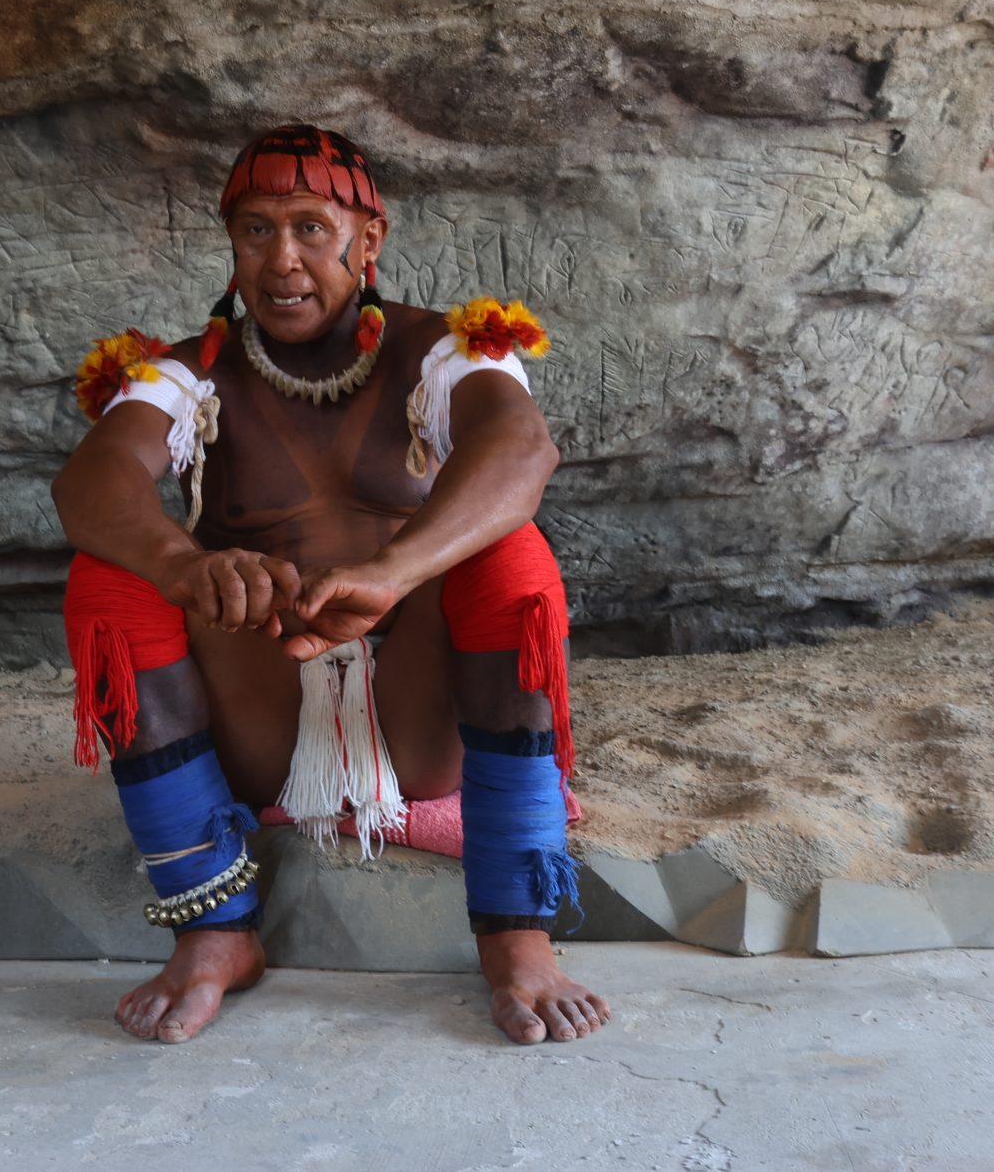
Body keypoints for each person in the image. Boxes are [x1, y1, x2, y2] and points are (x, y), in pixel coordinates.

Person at [52, 123, 609, 1047]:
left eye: (312, 227)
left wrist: (392, 573)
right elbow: (93, 481)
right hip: (263, 710)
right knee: (110, 574)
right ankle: (214, 933)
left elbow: (521, 449)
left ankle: (517, 936)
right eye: (257, 231)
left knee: (512, 552)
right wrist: (189, 565)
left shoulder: (443, 349)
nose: (284, 259)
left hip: (416, 708)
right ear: (231, 248)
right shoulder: (187, 369)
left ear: (369, 241)